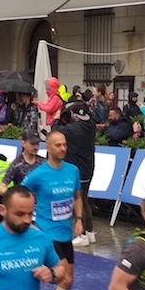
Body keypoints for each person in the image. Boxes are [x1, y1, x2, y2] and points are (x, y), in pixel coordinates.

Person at [22, 131, 83, 290]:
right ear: (48, 148)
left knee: (68, 279)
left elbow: (77, 197)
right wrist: (29, 222)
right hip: (47, 233)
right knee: (65, 277)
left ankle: (34, 274)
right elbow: (19, 195)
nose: (63, 148)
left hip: (65, 233)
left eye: (64, 144)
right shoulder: (38, 175)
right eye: (58, 145)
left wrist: (79, 219)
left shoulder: (73, 171)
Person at [53, 102, 96, 247]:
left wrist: (57, 118)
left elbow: (55, 132)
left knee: (78, 200)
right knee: (84, 199)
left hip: (77, 168)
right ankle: (90, 232)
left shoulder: (73, 129)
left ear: (74, 115)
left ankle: (81, 235)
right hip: (89, 166)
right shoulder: (90, 125)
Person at [0, 129, 47, 193]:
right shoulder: (16, 164)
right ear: (23, 143)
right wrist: (15, 196)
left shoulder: (43, 162)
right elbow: (1, 187)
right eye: (32, 144)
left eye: (37, 144)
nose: (36, 147)